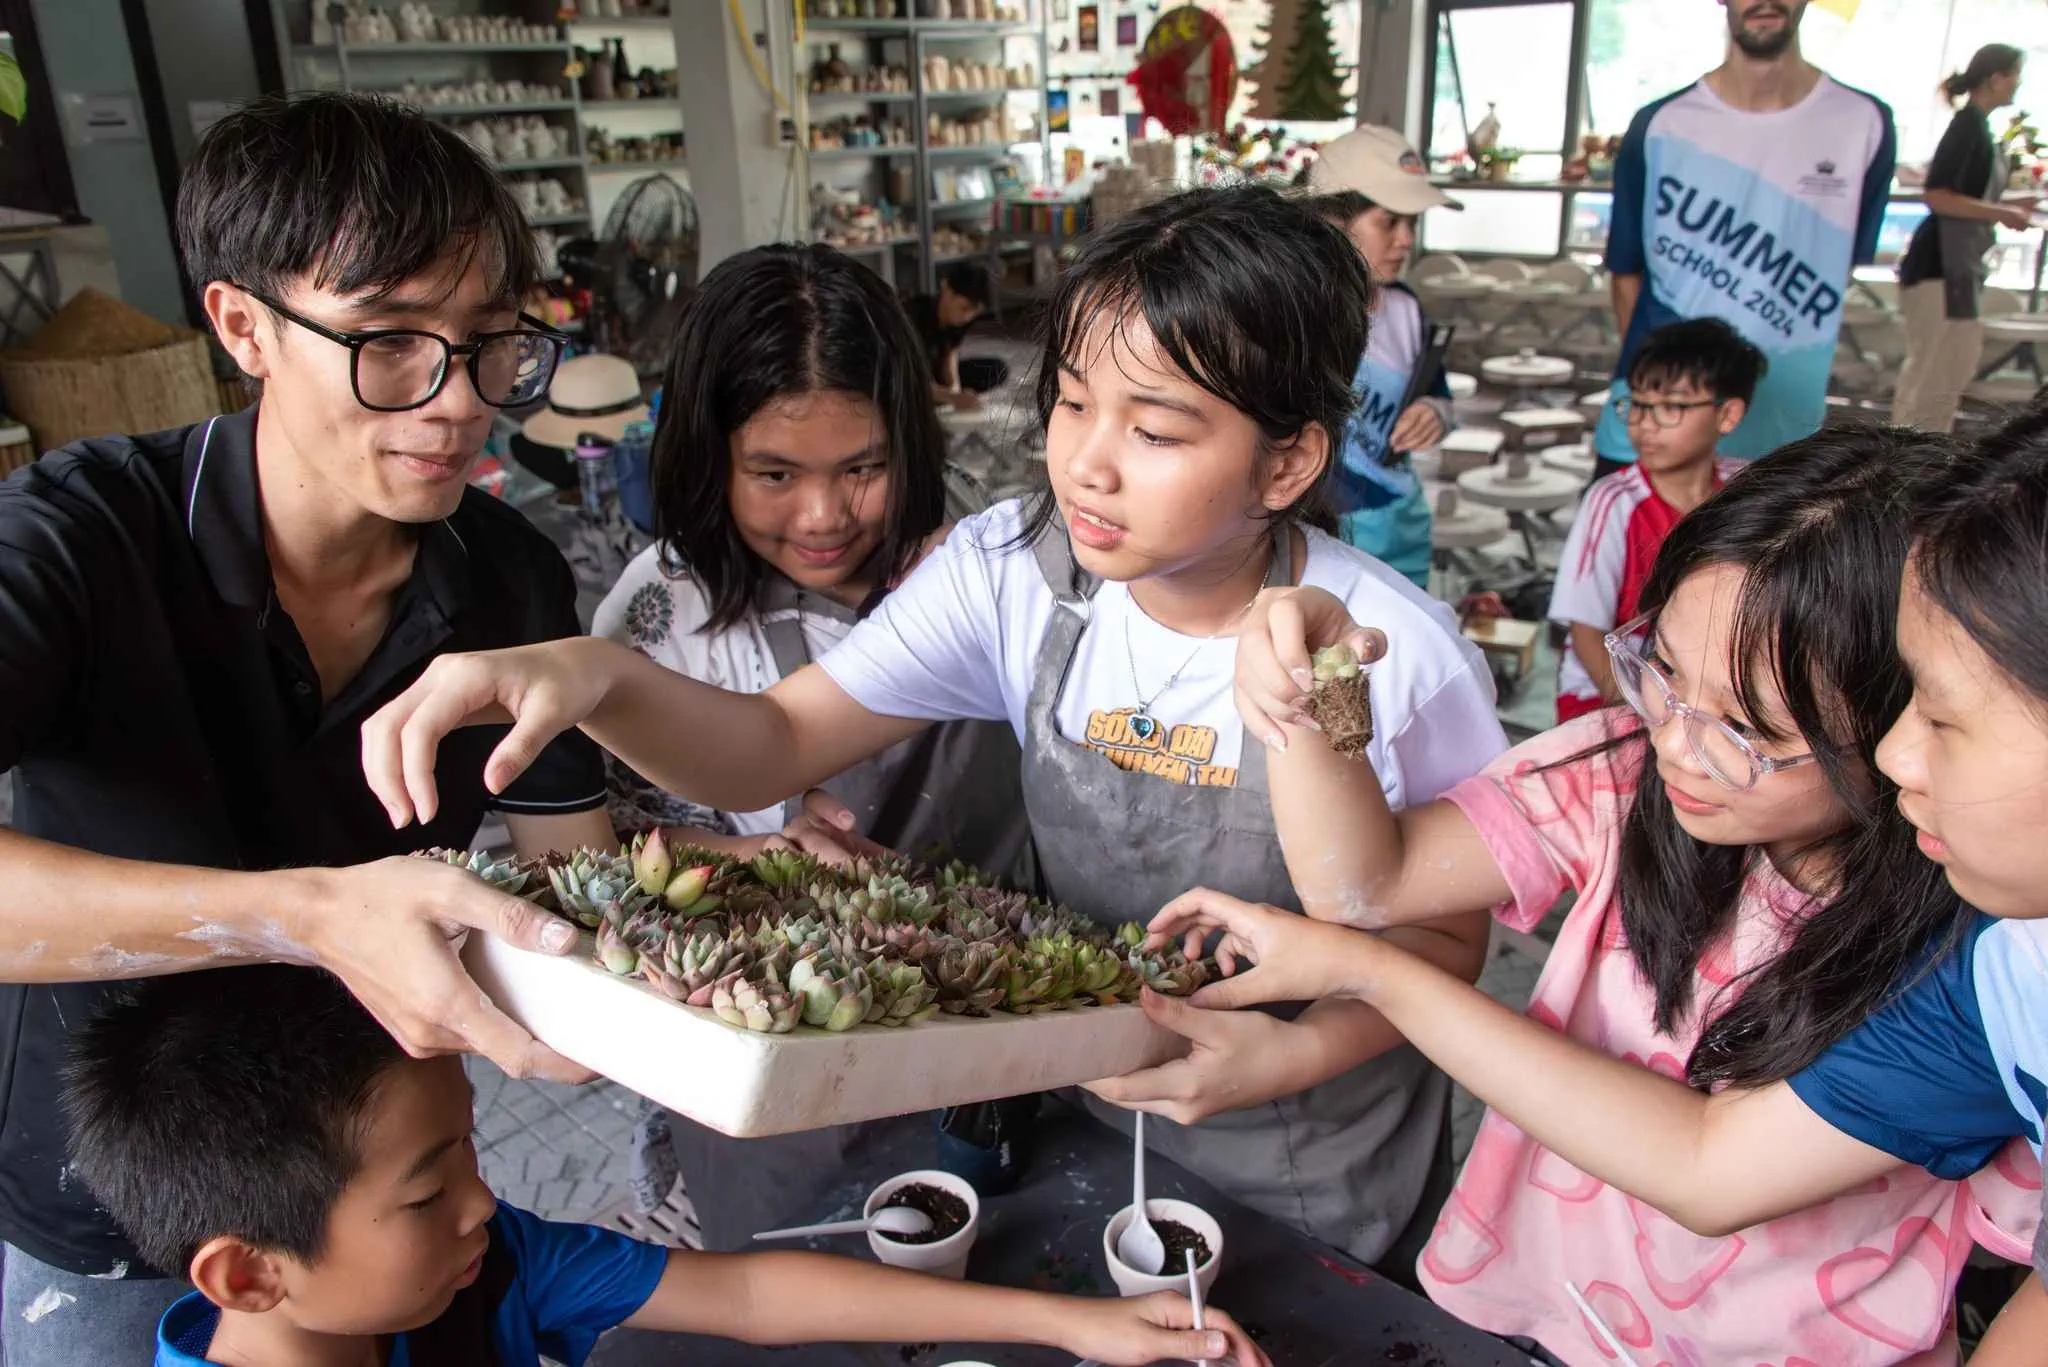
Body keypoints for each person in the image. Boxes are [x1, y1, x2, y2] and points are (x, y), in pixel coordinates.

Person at [359, 184, 1508, 1275]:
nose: (1086, 465)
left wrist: (1294, 1051)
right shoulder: (1012, 573)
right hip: (1098, 1107)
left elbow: (1445, 946)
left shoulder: (1381, 651)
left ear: (1288, 459)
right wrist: (595, 674)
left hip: (1311, 1153)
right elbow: (766, 744)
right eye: (1067, 402)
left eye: (1155, 431)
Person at [1168, 430, 2030, 1363]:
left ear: (1900, 715)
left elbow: (1709, 1166)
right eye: (1661, 671)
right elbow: (1365, 883)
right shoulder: (1620, 771)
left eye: (1748, 728)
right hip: (1545, 1310)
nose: (1678, 745)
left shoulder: (1987, 949)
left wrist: (1371, 974)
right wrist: (1317, 685)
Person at [0, 92, 619, 1361]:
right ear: (244, 327)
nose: (456, 403)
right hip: (110, 1209)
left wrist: (747, 887)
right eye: (389, 340)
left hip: (367, 1213)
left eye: (489, 340)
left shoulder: (504, 578)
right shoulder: (79, 538)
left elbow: (578, 870)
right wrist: (304, 910)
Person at [66, 966, 1266, 1367]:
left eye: (472, 1154)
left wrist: (1074, 1328)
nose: (486, 1199)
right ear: (251, 1274)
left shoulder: (481, 1268)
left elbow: (742, 1292)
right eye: (428, 1191)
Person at [593, 242, 1031, 1248]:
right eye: (774, 473)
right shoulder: (663, 616)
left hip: (1009, 1022)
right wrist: (747, 858)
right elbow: (599, 859)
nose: (825, 516)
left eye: (863, 468)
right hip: (793, 1063)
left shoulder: (979, 553)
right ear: (711, 456)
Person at [1592, 0, 1896, 482]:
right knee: (1625, 554)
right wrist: (1665, 393)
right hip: (1658, 436)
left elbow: (1841, 263)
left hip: (1781, 440)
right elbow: (1625, 272)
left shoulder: (1865, 124)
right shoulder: (1660, 124)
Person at [1550, 317, 1762, 723]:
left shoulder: (1746, 492)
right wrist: (1647, 720)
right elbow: (1586, 635)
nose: (1645, 424)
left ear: (1728, 414)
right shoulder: (1613, 501)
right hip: (1610, 693)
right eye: (1639, 405)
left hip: (1700, 693)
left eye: (1671, 408)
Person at [1306, 125, 1458, 590]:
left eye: (1412, 223)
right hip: (1323, 532)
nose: (1406, 239)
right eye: (1389, 222)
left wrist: (1435, 412)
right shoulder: (1298, 313)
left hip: (1401, 523)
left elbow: (1436, 393)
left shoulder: (1407, 307)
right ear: (1332, 219)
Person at [1893, 44, 2036, 433]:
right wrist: (2002, 212)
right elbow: (1939, 196)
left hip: (1960, 268)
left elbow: (1966, 194)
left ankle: (1926, 458)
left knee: (1951, 367)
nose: (2018, 84)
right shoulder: (1966, 128)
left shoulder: (1981, 129)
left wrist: (2007, 202)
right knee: (1931, 371)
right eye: (2015, 75)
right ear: (1996, 78)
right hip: (1939, 266)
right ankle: (1903, 460)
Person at [905, 260, 1004, 411]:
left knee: (996, 369)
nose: (967, 317)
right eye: (964, 308)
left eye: (973, 313)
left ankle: (938, 396)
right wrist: (953, 398)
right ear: (947, 291)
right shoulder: (913, 316)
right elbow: (909, 377)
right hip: (907, 377)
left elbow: (950, 355)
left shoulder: (959, 320)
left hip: (933, 375)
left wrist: (954, 390)